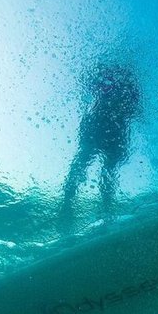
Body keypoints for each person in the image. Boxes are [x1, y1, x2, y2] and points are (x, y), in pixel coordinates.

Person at [60, 61, 141, 224]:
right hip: (106, 128)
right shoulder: (123, 83)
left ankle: (83, 205)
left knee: (94, 165)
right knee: (94, 165)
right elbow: (135, 112)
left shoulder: (119, 83)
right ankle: (74, 204)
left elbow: (134, 112)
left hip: (107, 129)